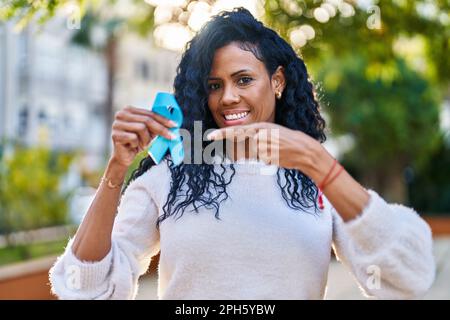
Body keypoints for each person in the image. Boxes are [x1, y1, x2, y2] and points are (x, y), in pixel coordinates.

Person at [49, 8, 435, 300]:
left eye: (244, 80)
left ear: (278, 81)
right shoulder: (173, 175)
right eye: (214, 85)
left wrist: (318, 163)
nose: (228, 97)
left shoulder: (315, 176)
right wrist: (117, 168)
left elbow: (411, 276)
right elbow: (86, 287)